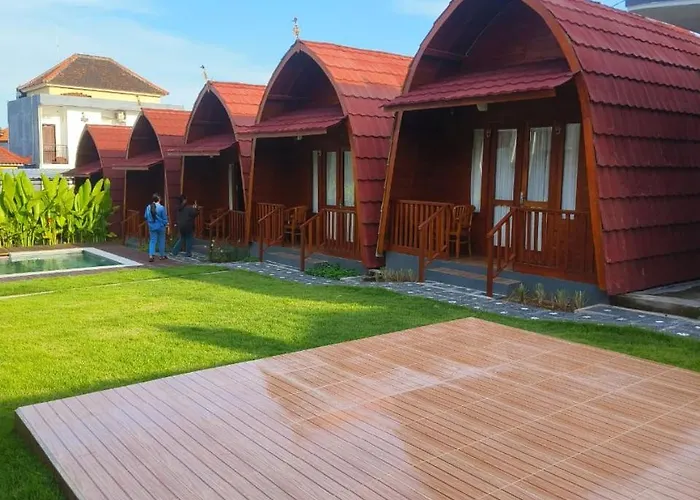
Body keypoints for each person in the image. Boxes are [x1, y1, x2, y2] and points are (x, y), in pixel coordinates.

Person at [144, 193, 168, 262]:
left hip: (152, 226)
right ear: (159, 199)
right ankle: (162, 255)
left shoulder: (148, 207)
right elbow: (164, 218)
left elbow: (145, 216)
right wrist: (166, 223)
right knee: (161, 240)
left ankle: (151, 255)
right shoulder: (162, 208)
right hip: (160, 226)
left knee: (152, 241)